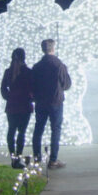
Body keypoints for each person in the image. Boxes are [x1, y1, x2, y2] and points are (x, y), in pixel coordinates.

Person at [30, 38, 71, 169]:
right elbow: (66, 84)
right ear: (53, 48)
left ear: (43, 49)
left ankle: (37, 158)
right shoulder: (58, 65)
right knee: (56, 129)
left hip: (41, 102)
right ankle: (53, 160)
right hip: (55, 101)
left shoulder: (37, 67)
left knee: (38, 129)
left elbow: (32, 85)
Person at [0, 48, 34, 169]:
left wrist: (9, 97)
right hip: (24, 105)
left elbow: (3, 89)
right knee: (21, 132)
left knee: (11, 130)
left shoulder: (8, 72)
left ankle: (13, 158)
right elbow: (33, 88)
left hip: (12, 105)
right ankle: (18, 157)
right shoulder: (28, 72)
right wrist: (31, 98)